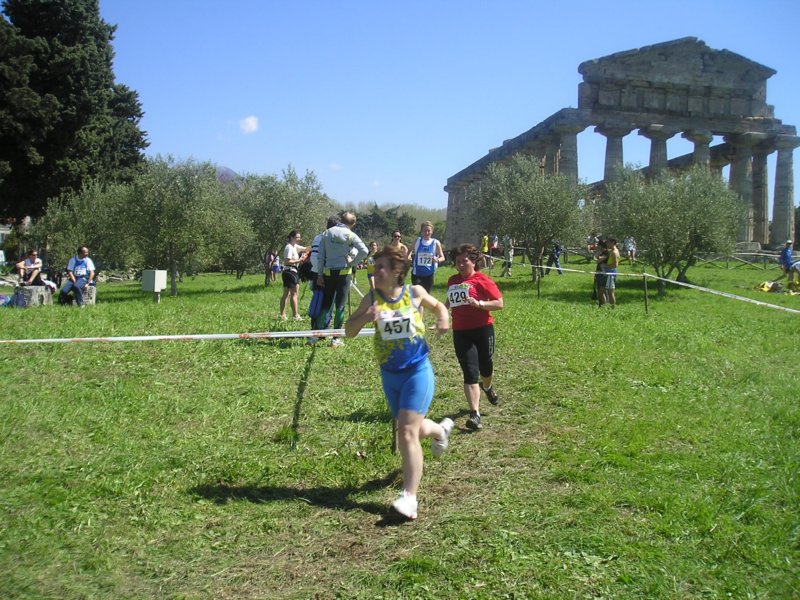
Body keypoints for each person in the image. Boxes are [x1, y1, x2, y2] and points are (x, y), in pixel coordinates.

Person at [345, 244, 451, 520]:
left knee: (405, 432)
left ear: (396, 271)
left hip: (417, 371)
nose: (375, 271)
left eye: (381, 267)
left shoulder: (414, 293)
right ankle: (440, 430)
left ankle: (409, 499)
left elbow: (438, 306)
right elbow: (348, 331)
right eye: (375, 266)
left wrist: (443, 317)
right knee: (412, 429)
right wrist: (364, 317)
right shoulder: (371, 298)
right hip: (390, 375)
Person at [446, 243, 504, 431]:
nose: (461, 265)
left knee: (486, 366)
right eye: (458, 262)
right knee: (470, 372)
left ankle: (487, 387)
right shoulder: (452, 281)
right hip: (461, 332)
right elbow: (449, 301)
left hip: (482, 329)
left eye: (465, 261)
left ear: (473, 261)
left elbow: (499, 303)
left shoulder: (482, 280)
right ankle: (475, 414)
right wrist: (442, 314)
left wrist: (479, 304)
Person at [317, 211, 368, 347]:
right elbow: (364, 251)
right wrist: (352, 262)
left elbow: (320, 256)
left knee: (326, 305)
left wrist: (320, 274)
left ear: (341, 219)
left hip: (328, 273)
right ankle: (336, 339)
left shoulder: (326, 233)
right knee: (340, 306)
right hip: (344, 274)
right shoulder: (350, 235)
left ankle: (315, 336)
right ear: (353, 223)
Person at [307, 217, 339, 342]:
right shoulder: (331, 238)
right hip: (326, 274)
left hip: (315, 273)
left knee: (317, 300)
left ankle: (314, 328)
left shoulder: (317, 237)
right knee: (327, 304)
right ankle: (323, 331)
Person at [408, 221, 446, 293]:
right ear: (422, 231)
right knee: (418, 293)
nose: (427, 233)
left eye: (429, 231)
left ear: (432, 231)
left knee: (426, 295)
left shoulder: (436, 242)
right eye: (425, 231)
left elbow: (442, 257)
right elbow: (409, 250)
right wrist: (408, 257)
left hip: (429, 274)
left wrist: (437, 260)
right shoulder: (417, 241)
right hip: (417, 274)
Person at [279, 231, 307, 320]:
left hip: (289, 272)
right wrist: (299, 260)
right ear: (291, 237)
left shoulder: (295, 246)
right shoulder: (289, 247)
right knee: (294, 294)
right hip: (291, 272)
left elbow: (306, 248)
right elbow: (287, 261)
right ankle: (296, 316)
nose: (299, 239)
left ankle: (282, 315)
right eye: (297, 237)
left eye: (299, 237)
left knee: (286, 294)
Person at [599, 236, 620, 306]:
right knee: (601, 292)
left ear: (613, 242)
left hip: (610, 274)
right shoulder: (611, 251)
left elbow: (615, 265)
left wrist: (604, 266)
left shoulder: (614, 252)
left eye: (608, 242)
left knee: (610, 292)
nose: (606, 244)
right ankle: (604, 307)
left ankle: (613, 308)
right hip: (607, 273)